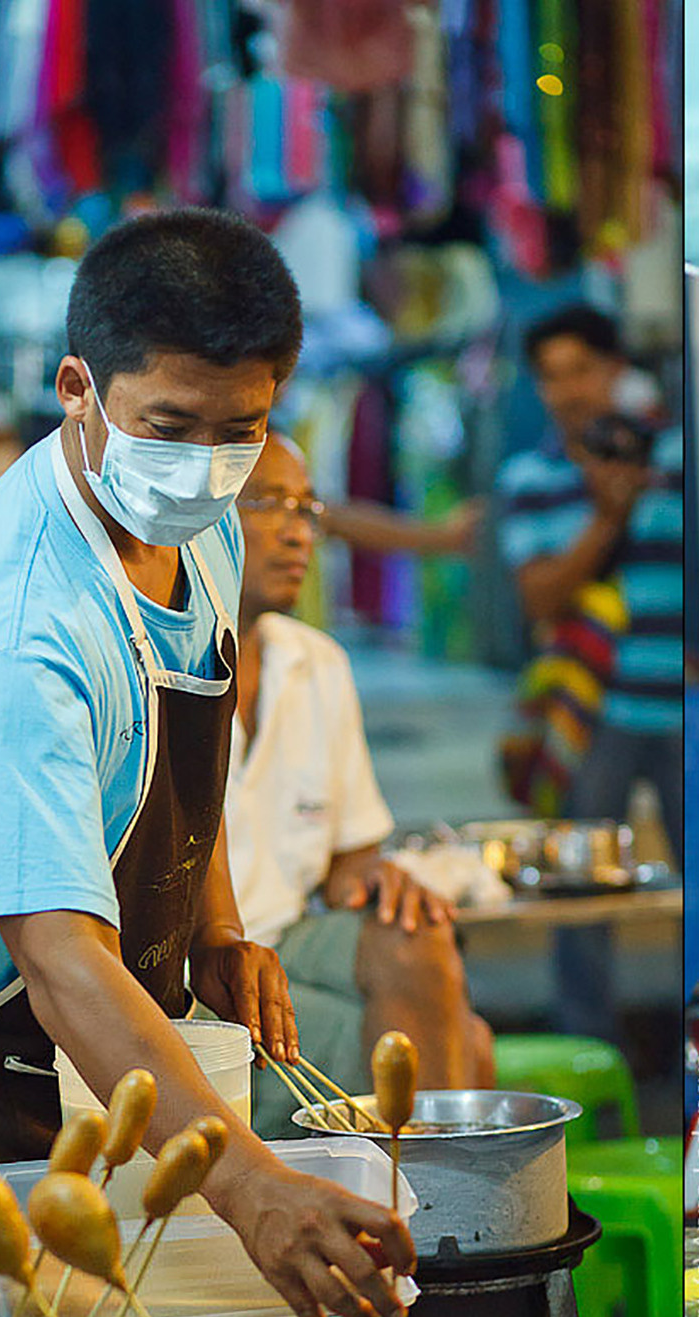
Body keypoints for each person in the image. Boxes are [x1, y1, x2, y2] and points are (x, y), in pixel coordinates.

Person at [0, 210, 411, 1317]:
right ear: (78, 387)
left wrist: (213, 925)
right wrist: (256, 1187)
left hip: (88, 1040)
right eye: (169, 426)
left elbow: (179, 731)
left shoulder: (196, 513)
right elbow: (60, 954)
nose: (207, 464)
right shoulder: (18, 632)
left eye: (243, 431)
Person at [227, 431, 496, 1139]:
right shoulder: (160, 669)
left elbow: (349, 865)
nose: (299, 534)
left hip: (289, 942)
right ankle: (436, 1220)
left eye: (308, 510)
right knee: (466, 1045)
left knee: (415, 933)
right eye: (269, 505)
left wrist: (386, 880)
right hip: (205, 971)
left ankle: (429, 1207)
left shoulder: (318, 663)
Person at [498, 304, 682, 1042]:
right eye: (550, 377)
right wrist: (607, 518)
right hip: (589, 711)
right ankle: (588, 1051)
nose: (568, 390)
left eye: (582, 369)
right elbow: (538, 593)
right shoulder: (531, 477)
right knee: (579, 900)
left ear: (616, 369)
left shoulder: (676, 456)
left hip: (685, 710)